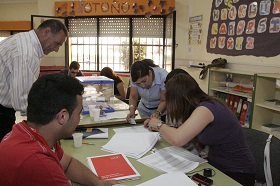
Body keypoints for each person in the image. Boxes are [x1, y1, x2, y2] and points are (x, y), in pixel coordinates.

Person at [0, 73, 118, 186]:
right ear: (63, 116)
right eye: (79, 112)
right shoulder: (41, 164)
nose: (79, 119)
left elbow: (68, 164)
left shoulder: (26, 132)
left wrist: (97, 182)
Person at [144, 72, 256, 186]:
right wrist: (160, 128)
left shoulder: (205, 109)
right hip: (216, 167)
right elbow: (184, 133)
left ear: (179, 98)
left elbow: (178, 139)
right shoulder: (203, 105)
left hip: (236, 173)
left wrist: (159, 125)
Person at [0, 19, 68, 140]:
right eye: (57, 43)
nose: (56, 49)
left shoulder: (25, 41)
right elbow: (22, 101)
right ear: (46, 32)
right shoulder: (26, 53)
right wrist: (51, 116)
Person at [126, 59, 168, 123]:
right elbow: (133, 96)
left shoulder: (163, 76)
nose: (142, 85)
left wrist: (158, 112)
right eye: (138, 84)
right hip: (143, 109)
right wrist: (132, 110)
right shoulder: (135, 78)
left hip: (161, 110)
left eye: (144, 81)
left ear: (150, 73)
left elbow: (164, 99)